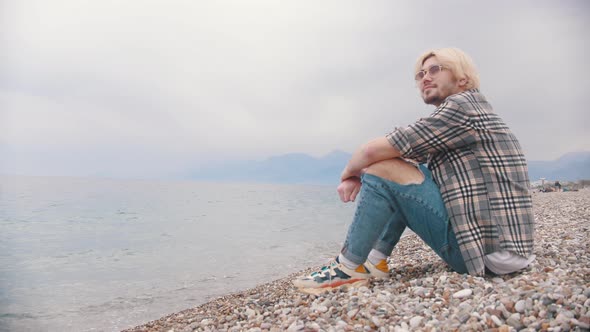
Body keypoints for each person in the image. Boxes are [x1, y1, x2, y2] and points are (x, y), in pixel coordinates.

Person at [293, 48, 535, 294]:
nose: (425, 78)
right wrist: (368, 170)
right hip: (502, 250)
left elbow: (371, 152)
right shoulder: (469, 113)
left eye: (435, 69)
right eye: (420, 75)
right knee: (396, 170)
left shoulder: (462, 108)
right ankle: (375, 260)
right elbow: (399, 160)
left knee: (385, 167)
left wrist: (350, 174)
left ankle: (348, 267)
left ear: (463, 78)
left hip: (484, 254)